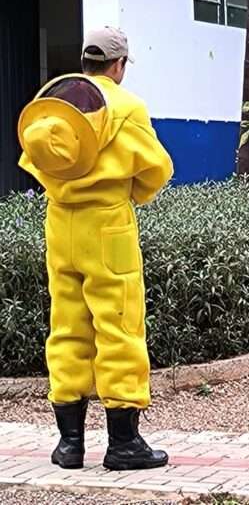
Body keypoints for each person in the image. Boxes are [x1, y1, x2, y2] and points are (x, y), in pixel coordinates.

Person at [17, 27, 173, 471]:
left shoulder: (55, 102)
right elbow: (157, 170)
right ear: (119, 65)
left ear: (85, 61)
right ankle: (123, 444)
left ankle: (69, 445)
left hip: (59, 226)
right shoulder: (126, 107)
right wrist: (128, 195)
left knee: (66, 327)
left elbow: (34, 160)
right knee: (118, 326)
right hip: (108, 228)